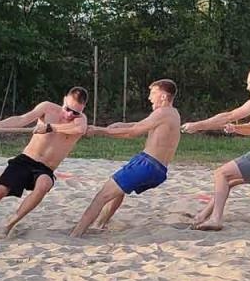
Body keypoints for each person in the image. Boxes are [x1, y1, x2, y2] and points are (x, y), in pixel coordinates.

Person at [0, 87, 90, 239]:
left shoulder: (80, 120)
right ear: (64, 99)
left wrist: (49, 127)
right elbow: (21, 119)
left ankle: (9, 224)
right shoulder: (47, 108)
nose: (70, 114)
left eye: (76, 112)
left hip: (45, 169)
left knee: (44, 184)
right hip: (26, 160)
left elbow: (79, 128)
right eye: (68, 109)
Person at [181, 66, 250, 231]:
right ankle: (202, 216)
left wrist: (197, 126)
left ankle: (216, 219)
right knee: (227, 181)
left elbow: (228, 116)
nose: (247, 87)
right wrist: (236, 129)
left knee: (220, 173)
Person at [70, 79, 181, 237]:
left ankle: (76, 234)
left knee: (102, 196)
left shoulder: (162, 112)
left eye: (153, 93)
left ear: (163, 97)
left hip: (147, 164)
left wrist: (99, 130)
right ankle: (100, 224)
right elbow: (142, 125)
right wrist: (122, 124)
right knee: (118, 191)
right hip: (159, 169)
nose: (149, 97)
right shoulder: (173, 113)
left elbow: (133, 132)